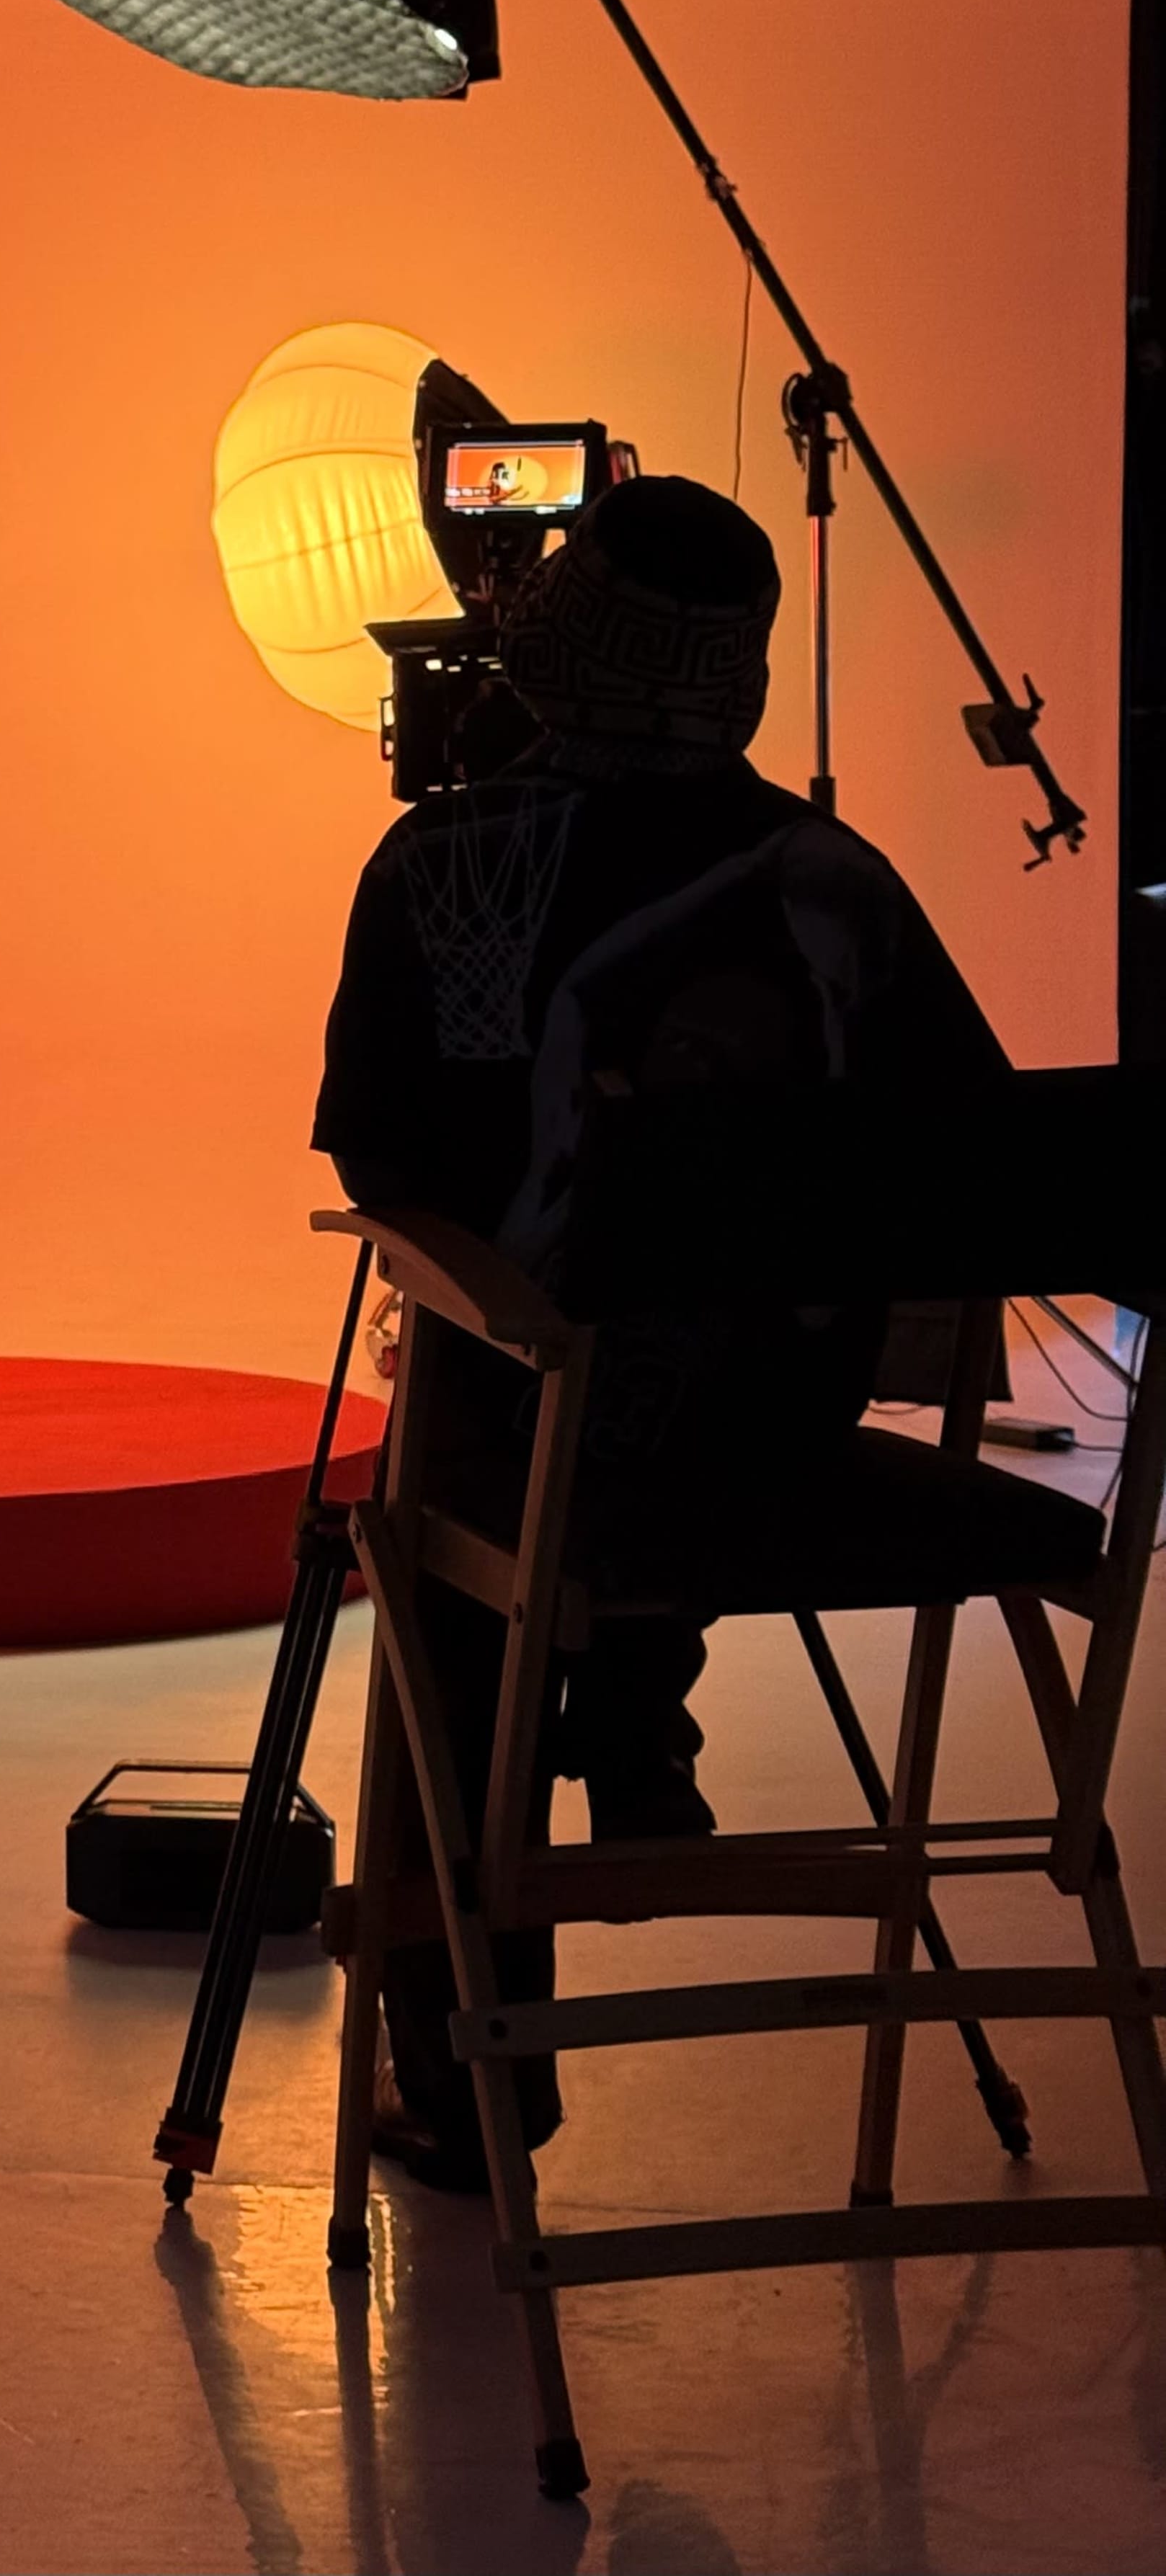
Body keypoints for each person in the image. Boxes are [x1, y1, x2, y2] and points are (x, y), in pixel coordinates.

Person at [312, 473, 1006, 2188]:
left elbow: (380, 1160)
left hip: (548, 1471)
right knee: (608, 1435)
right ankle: (634, 1684)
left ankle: (479, 2085)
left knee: (448, 1554)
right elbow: (975, 1153)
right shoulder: (838, 879)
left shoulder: (440, 860)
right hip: (785, 1453)